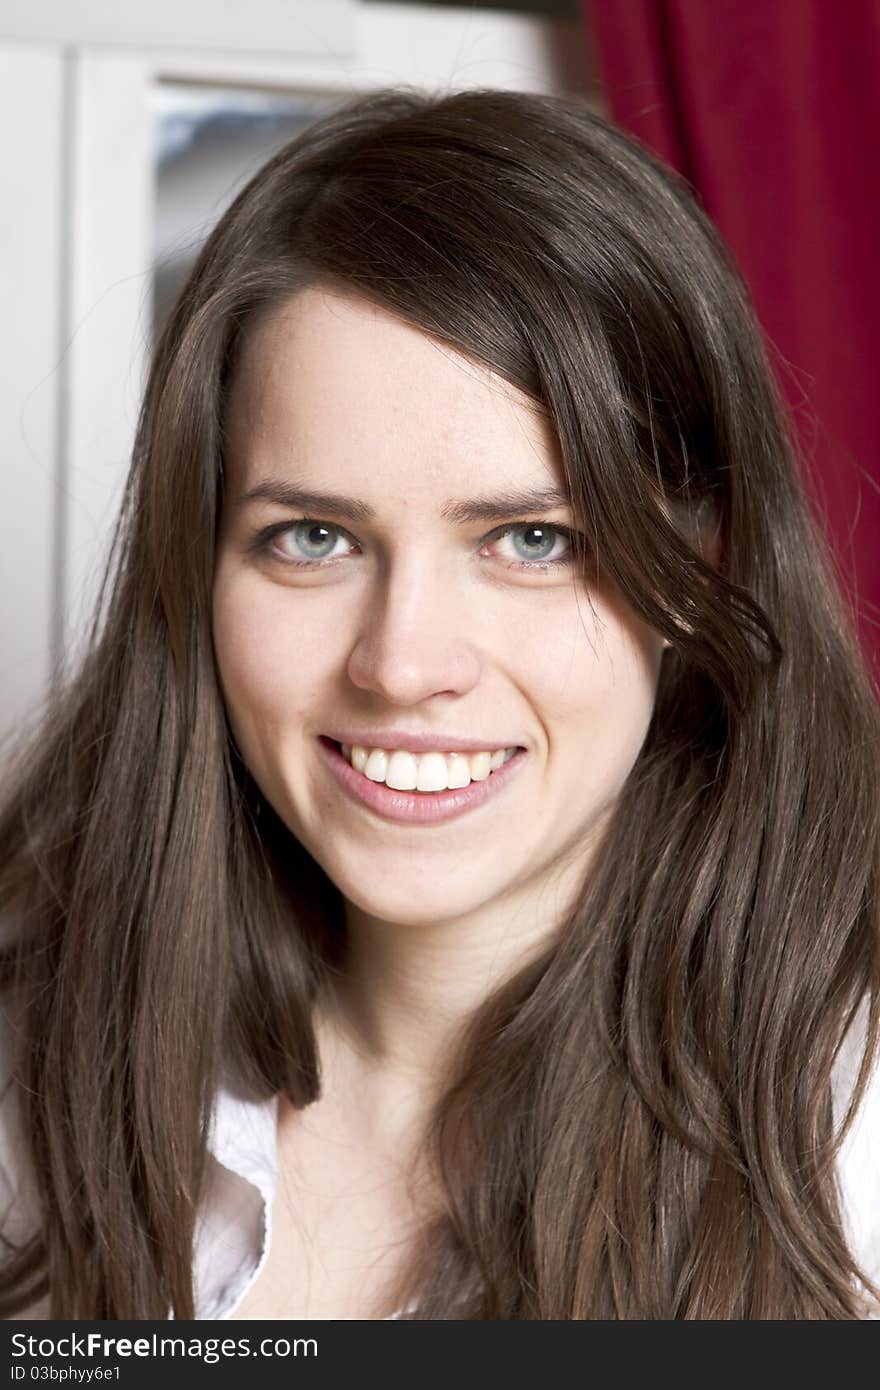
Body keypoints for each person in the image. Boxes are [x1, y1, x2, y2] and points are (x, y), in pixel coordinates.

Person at [1, 85, 878, 1321]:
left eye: (531, 539)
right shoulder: (32, 1081)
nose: (402, 665)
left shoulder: (854, 1148)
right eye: (312, 536)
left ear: (706, 569)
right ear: (195, 571)